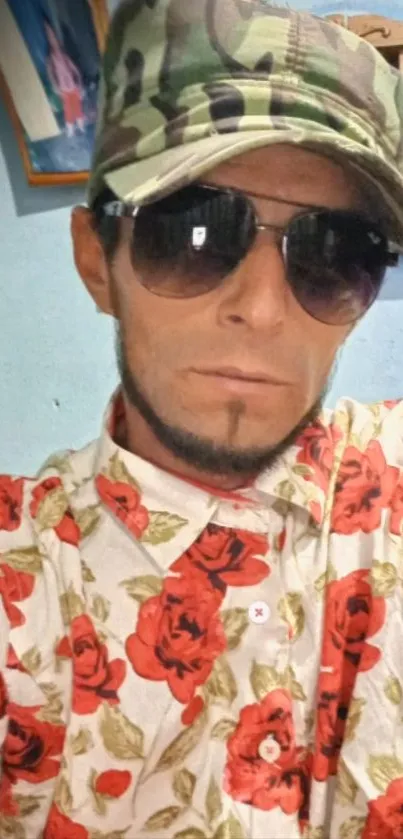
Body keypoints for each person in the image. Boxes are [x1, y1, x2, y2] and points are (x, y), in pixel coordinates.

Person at [1, 1, 403, 836]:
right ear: (95, 261)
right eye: (192, 227)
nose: (260, 308)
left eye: (335, 252)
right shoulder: (23, 579)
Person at [45, 22, 85, 138]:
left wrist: (79, 81)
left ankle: (77, 126)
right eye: (53, 41)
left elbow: (74, 69)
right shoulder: (51, 58)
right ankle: (72, 127)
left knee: (75, 107)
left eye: (56, 41)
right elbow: (51, 74)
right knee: (70, 108)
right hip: (65, 88)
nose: (55, 43)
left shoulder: (63, 55)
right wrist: (55, 85)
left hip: (71, 86)